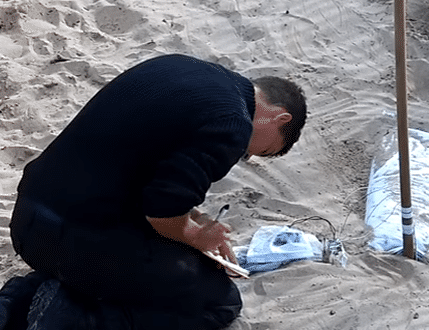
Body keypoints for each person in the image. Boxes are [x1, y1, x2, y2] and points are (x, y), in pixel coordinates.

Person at [2, 54, 307, 329]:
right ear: (280, 118)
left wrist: (196, 221)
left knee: (168, 267)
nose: (247, 156)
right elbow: (162, 212)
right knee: (219, 302)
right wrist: (197, 237)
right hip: (71, 238)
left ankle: (19, 299)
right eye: (263, 149)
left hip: (31, 219)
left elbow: (147, 175)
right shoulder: (233, 123)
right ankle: (72, 319)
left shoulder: (189, 67)